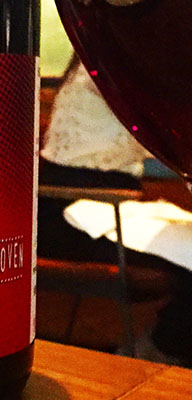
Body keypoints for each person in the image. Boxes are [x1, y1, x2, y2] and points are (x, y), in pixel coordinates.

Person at [38, 57, 192, 367]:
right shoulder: (115, 66)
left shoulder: (108, 58)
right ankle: (151, 359)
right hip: (74, 210)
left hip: (103, 203)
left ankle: (157, 354)